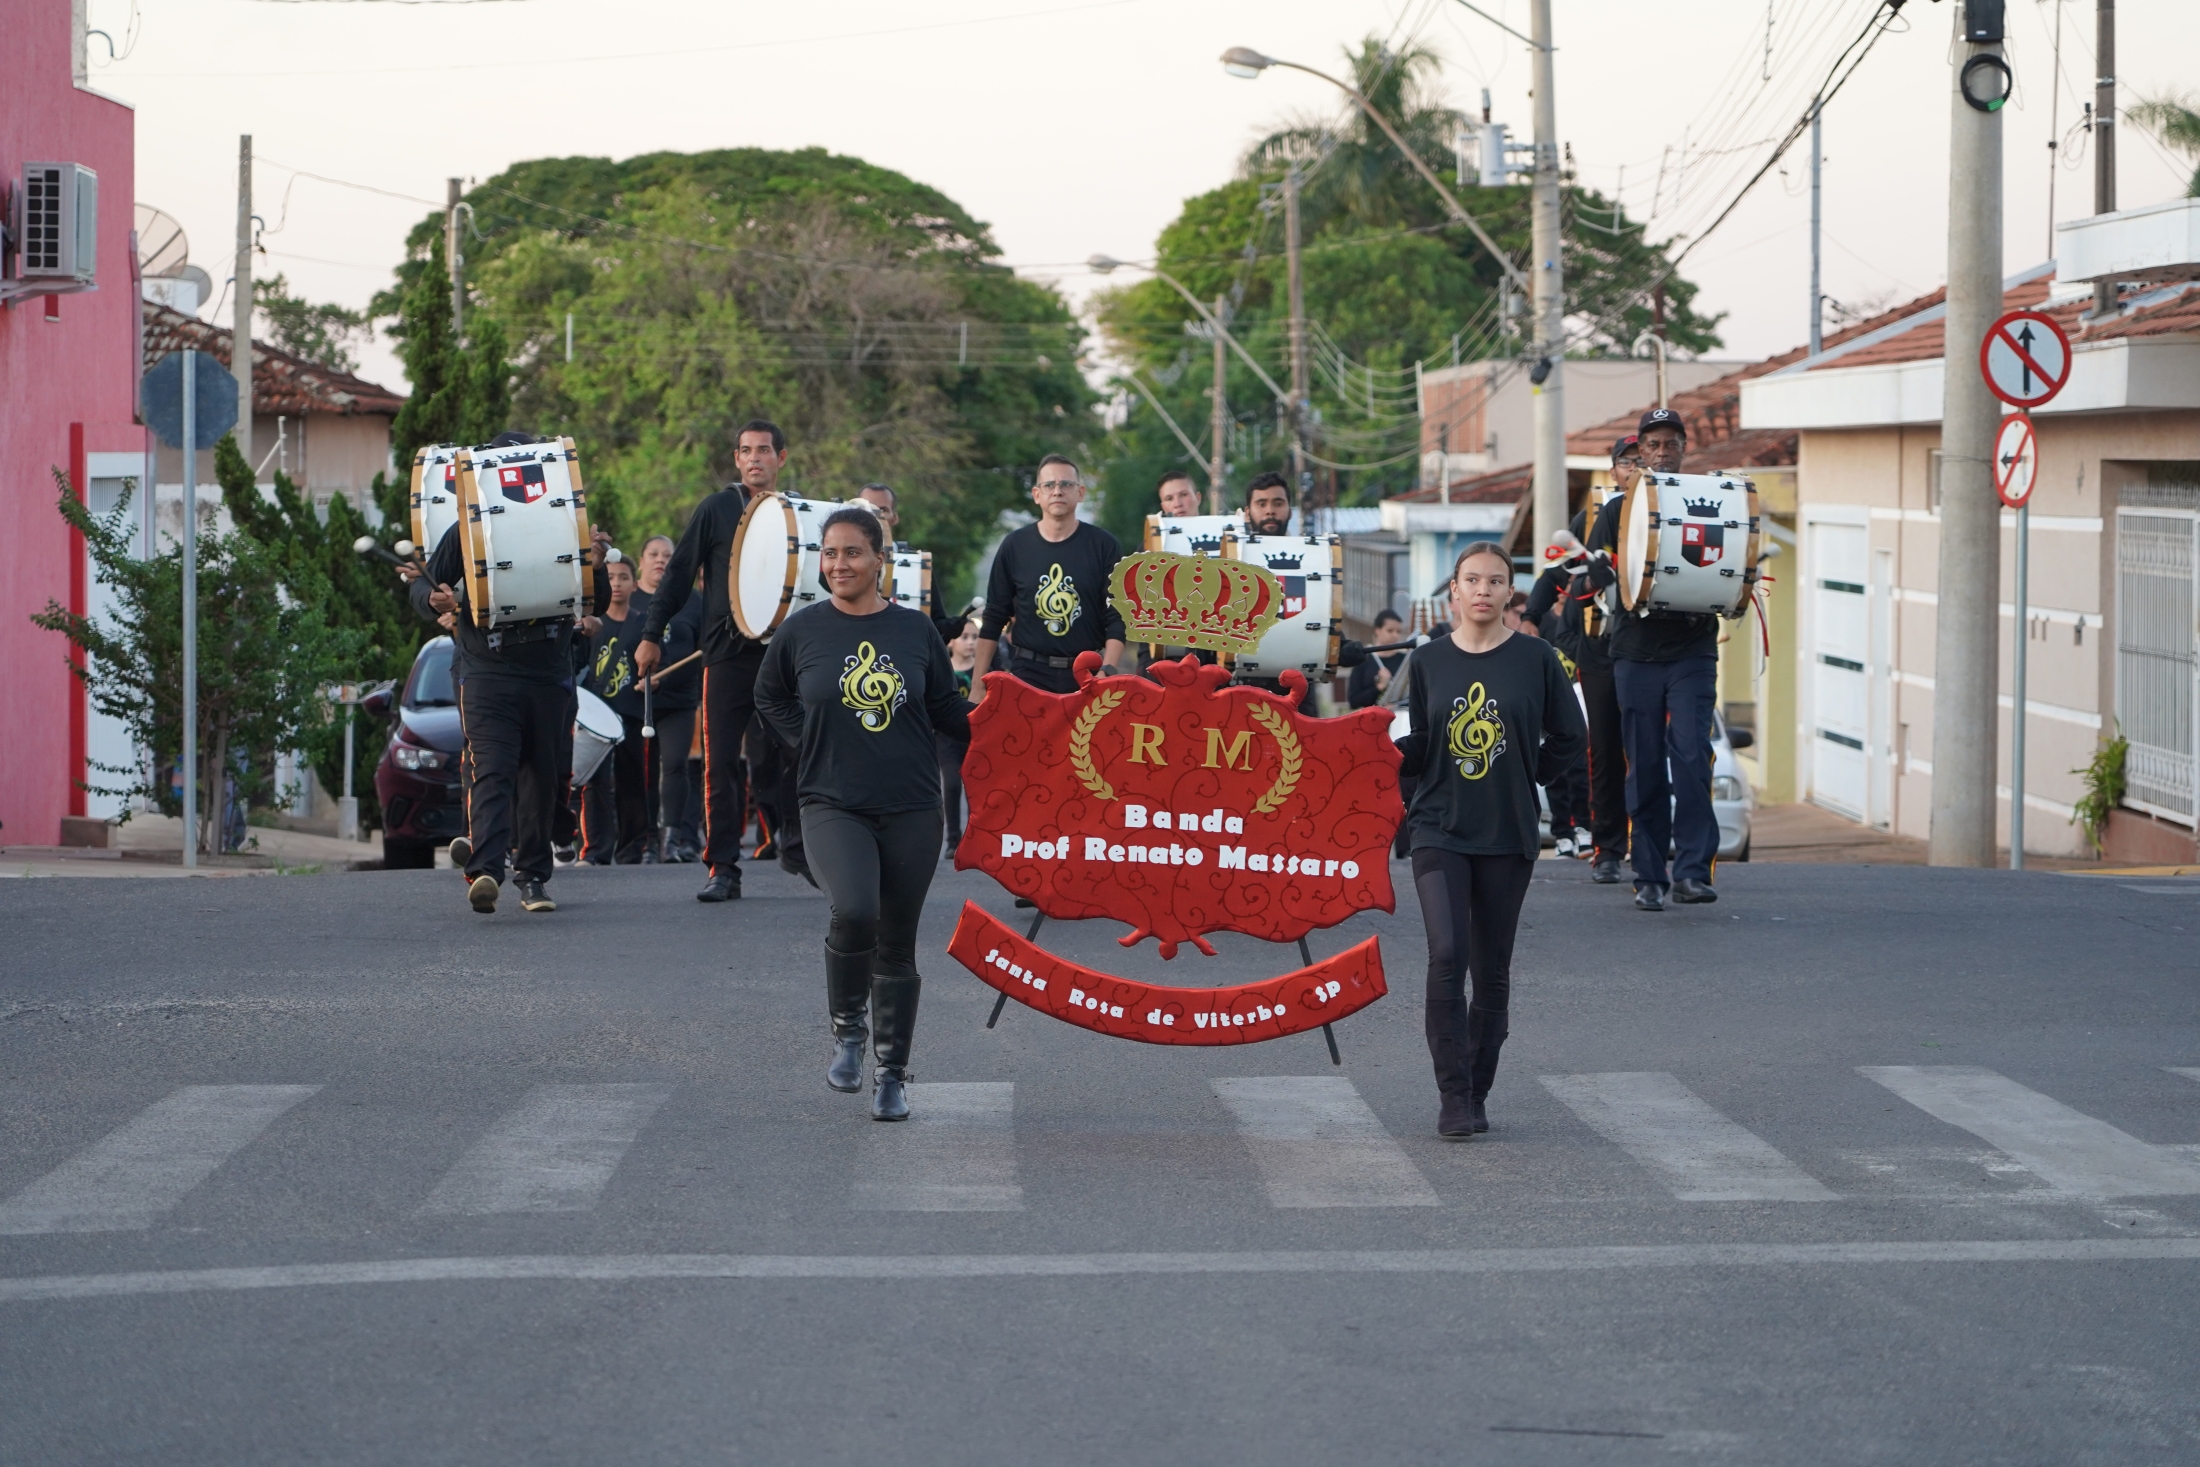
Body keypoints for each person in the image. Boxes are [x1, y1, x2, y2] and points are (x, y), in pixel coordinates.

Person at [756, 506, 974, 1121]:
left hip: (912, 805)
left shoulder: (915, 630)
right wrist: (808, 740)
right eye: (830, 553)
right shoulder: (802, 631)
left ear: (880, 559)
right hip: (832, 802)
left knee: (897, 945)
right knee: (854, 910)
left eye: (852, 552)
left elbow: (946, 709)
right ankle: (848, 1030)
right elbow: (768, 695)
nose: (838, 564)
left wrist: (1024, 726)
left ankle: (891, 1077)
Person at [1395, 540, 1585, 1138]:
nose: (1483, 590)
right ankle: (1453, 1096)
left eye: (1495, 581)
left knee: (1491, 968)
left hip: (1507, 830)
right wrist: (1384, 757)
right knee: (1448, 954)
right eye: (1472, 580)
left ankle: (1478, 1091)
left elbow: (1571, 736)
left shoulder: (1536, 658)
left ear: (1509, 592)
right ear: (1453, 590)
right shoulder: (1428, 661)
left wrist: (1530, 773)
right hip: (1438, 827)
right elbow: (1425, 739)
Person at [403, 430, 607, 915]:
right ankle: (487, 871)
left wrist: (596, 566)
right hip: (487, 673)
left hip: (548, 673)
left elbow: (592, 599)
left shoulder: (566, 524)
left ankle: (533, 877)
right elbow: (423, 589)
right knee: (491, 771)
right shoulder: (465, 529)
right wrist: (433, 599)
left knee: (542, 779)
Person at [635, 420, 785, 902]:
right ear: (737, 459)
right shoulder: (716, 508)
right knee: (719, 764)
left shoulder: (793, 513)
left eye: (764, 450)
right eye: (746, 450)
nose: (755, 458)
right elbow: (679, 574)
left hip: (782, 658)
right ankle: (723, 867)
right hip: (725, 656)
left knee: (782, 758)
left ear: (781, 458)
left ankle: (799, 845)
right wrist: (651, 634)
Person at [1585, 408, 1724, 910]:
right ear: (1640, 452)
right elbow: (1592, 576)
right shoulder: (1616, 510)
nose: (1662, 452)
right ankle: (1648, 875)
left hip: (1692, 650)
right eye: (1653, 444)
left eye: (1671, 443)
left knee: (1691, 757)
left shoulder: (1707, 501)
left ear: (1684, 449)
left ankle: (1691, 872)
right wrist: (1605, 572)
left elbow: (1727, 564)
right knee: (1642, 766)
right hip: (1635, 654)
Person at [1529, 436, 1640, 884]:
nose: (1636, 468)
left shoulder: (1672, 510)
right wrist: (1531, 617)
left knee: (1648, 750)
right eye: (1627, 462)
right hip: (1600, 650)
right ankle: (1606, 846)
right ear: (1613, 471)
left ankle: (1648, 845)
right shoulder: (1596, 516)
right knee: (1605, 751)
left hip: (1653, 652)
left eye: (1643, 460)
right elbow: (1557, 573)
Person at [971, 455, 1127, 692]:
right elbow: (994, 616)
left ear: (1080, 493)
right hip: (1028, 675)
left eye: (1066, 484)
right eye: (1049, 485)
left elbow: (1117, 615)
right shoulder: (1015, 546)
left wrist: (1107, 671)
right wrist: (977, 686)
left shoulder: (1104, 546)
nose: (1057, 491)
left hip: (1087, 675)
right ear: (1036, 494)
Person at [580, 554, 652, 864]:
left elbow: (656, 664)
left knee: (631, 780)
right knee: (594, 782)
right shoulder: (592, 624)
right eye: (610, 578)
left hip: (631, 713)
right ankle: (596, 849)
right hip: (595, 717)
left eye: (623, 577)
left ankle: (631, 848)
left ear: (635, 584)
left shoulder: (644, 624)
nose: (617, 583)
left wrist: (652, 681)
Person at [854, 482, 964, 645]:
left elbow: (934, 625)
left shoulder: (918, 565)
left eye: (882, 510)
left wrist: (949, 628)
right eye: (868, 509)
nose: (876, 515)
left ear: (895, 517)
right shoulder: (836, 562)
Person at [650, 589, 706, 862]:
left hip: (681, 701)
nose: (660, 565)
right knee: (642, 773)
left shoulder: (694, 601)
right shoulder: (633, 599)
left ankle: (672, 841)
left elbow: (705, 651)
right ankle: (644, 841)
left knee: (676, 764)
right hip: (638, 701)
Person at [940, 616, 979, 856]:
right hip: (947, 739)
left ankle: (976, 839)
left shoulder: (981, 669)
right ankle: (953, 841)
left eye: (975, 637)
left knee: (976, 788)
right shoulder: (943, 668)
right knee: (952, 784)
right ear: (952, 641)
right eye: (964, 637)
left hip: (977, 736)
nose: (970, 642)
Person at [1347, 610, 1408, 709]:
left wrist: (1398, 705)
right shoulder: (1363, 661)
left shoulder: (1405, 660)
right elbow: (1353, 701)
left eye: (1399, 632)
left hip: (1401, 715)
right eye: (1390, 630)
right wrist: (1379, 687)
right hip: (1373, 717)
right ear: (1377, 630)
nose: (1395, 635)